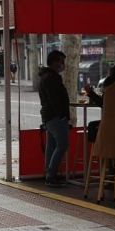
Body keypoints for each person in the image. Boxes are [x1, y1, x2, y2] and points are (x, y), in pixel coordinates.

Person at [38, 50, 69, 188]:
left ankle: (49, 173)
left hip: (48, 116)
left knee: (52, 146)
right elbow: (55, 99)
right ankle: (51, 175)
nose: (63, 65)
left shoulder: (45, 76)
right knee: (62, 145)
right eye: (61, 61)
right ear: (54, 62)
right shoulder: (52, 78)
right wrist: (62, 115)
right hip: (55, 117)